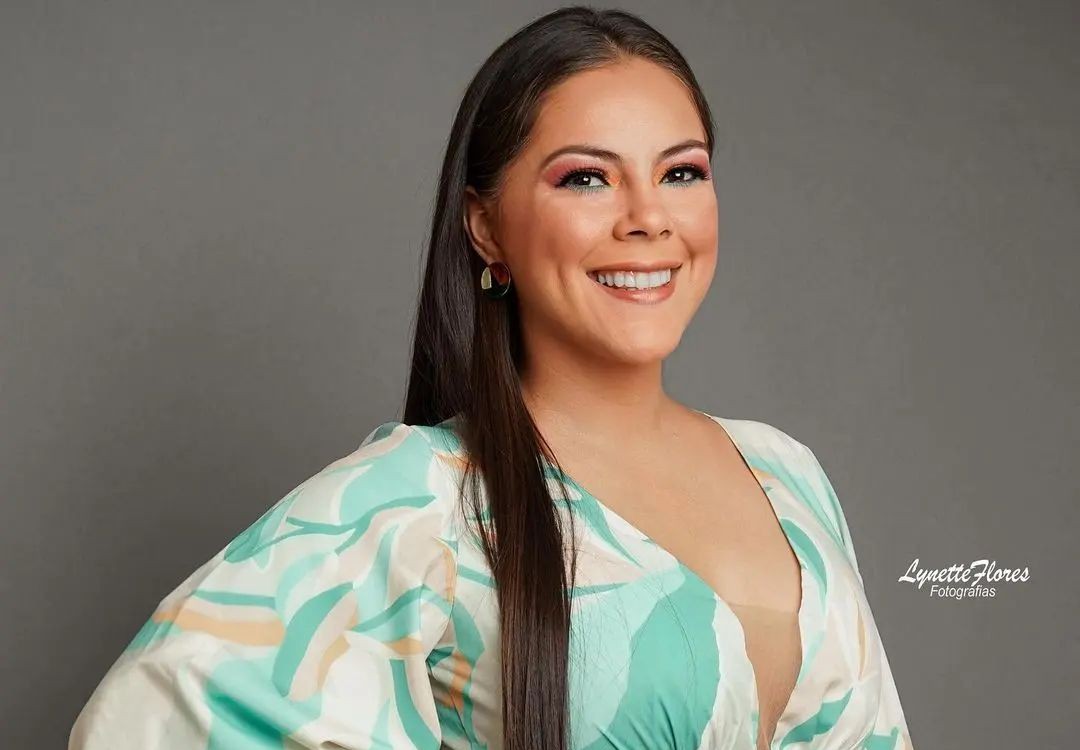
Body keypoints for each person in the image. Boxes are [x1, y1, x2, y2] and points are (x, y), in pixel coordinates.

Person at [69, 6, 913, 750]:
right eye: (587, 178)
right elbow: (154, 720)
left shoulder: (787, 474)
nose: (649, 217)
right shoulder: (426, 500)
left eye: (681, 172)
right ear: (486, 227)